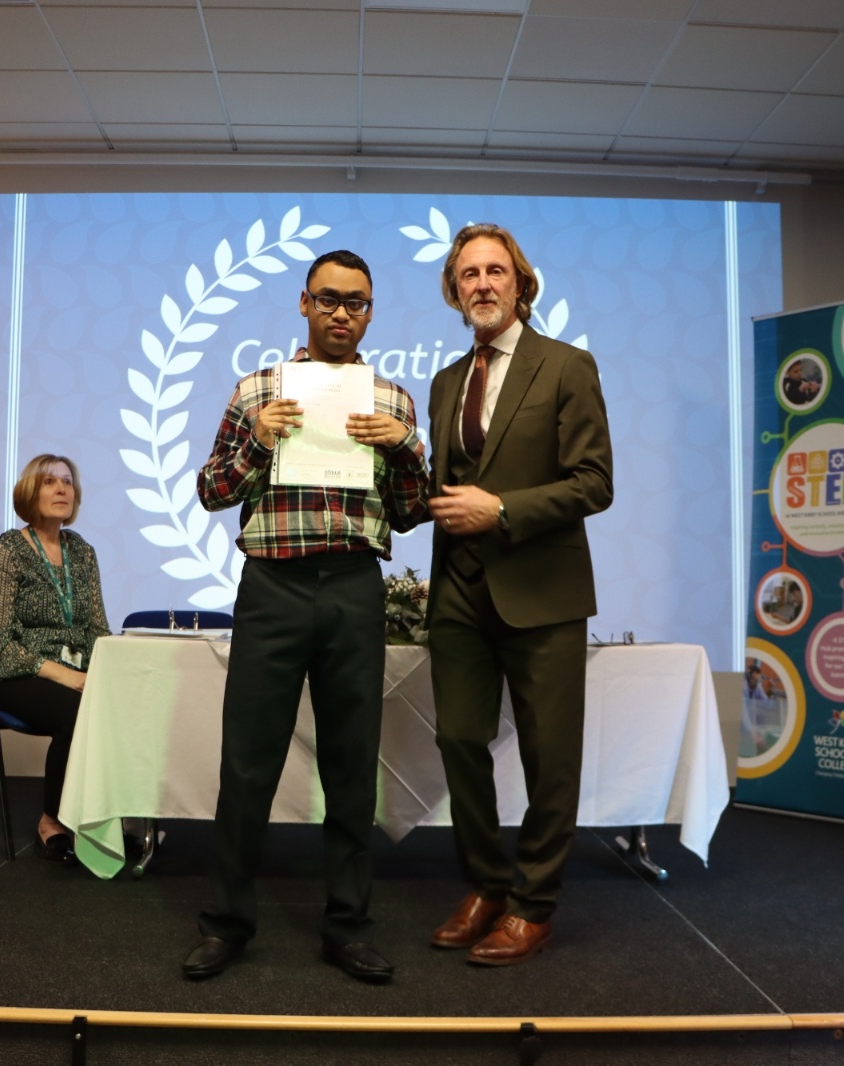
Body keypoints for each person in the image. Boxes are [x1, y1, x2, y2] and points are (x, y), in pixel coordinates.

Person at [181, 250, 429, 984]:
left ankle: (347, 928)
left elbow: (411, 513)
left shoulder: (392, 401)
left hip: (354, 586)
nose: (341, 313)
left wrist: (406, 450)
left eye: (356, 302)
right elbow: (211, 491)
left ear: (370, 312)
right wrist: (258, 438)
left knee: (352, 767)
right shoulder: (256, 389)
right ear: (303, 303)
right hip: (273, 587)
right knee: (247, 762)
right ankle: (227, 924)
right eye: (328, 299)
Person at [424, 224, 613, 967]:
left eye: (494, 271)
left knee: (548, 758)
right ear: (454, 290)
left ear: (520, 283)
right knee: (458, 740)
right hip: (458, 592)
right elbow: (444, 487)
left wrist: (501, 509)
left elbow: (593, 482)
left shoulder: (566, 366)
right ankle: (487, 885)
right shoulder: (445, 382)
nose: (481, 283)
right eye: (467, 274)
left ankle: (533, 905)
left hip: (542, 591)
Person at [0, 455, 110, 863]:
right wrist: (64, 675)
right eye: (50, 481)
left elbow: (98, 629)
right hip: (17, 672)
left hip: (76, 673)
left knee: (126, 702)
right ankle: (52, 820)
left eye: (67, 482)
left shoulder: (82, 552)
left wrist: (107, 672)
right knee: (78, 710)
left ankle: (116, 819)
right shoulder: (9, 550)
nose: (61, 489)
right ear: (29, 492)